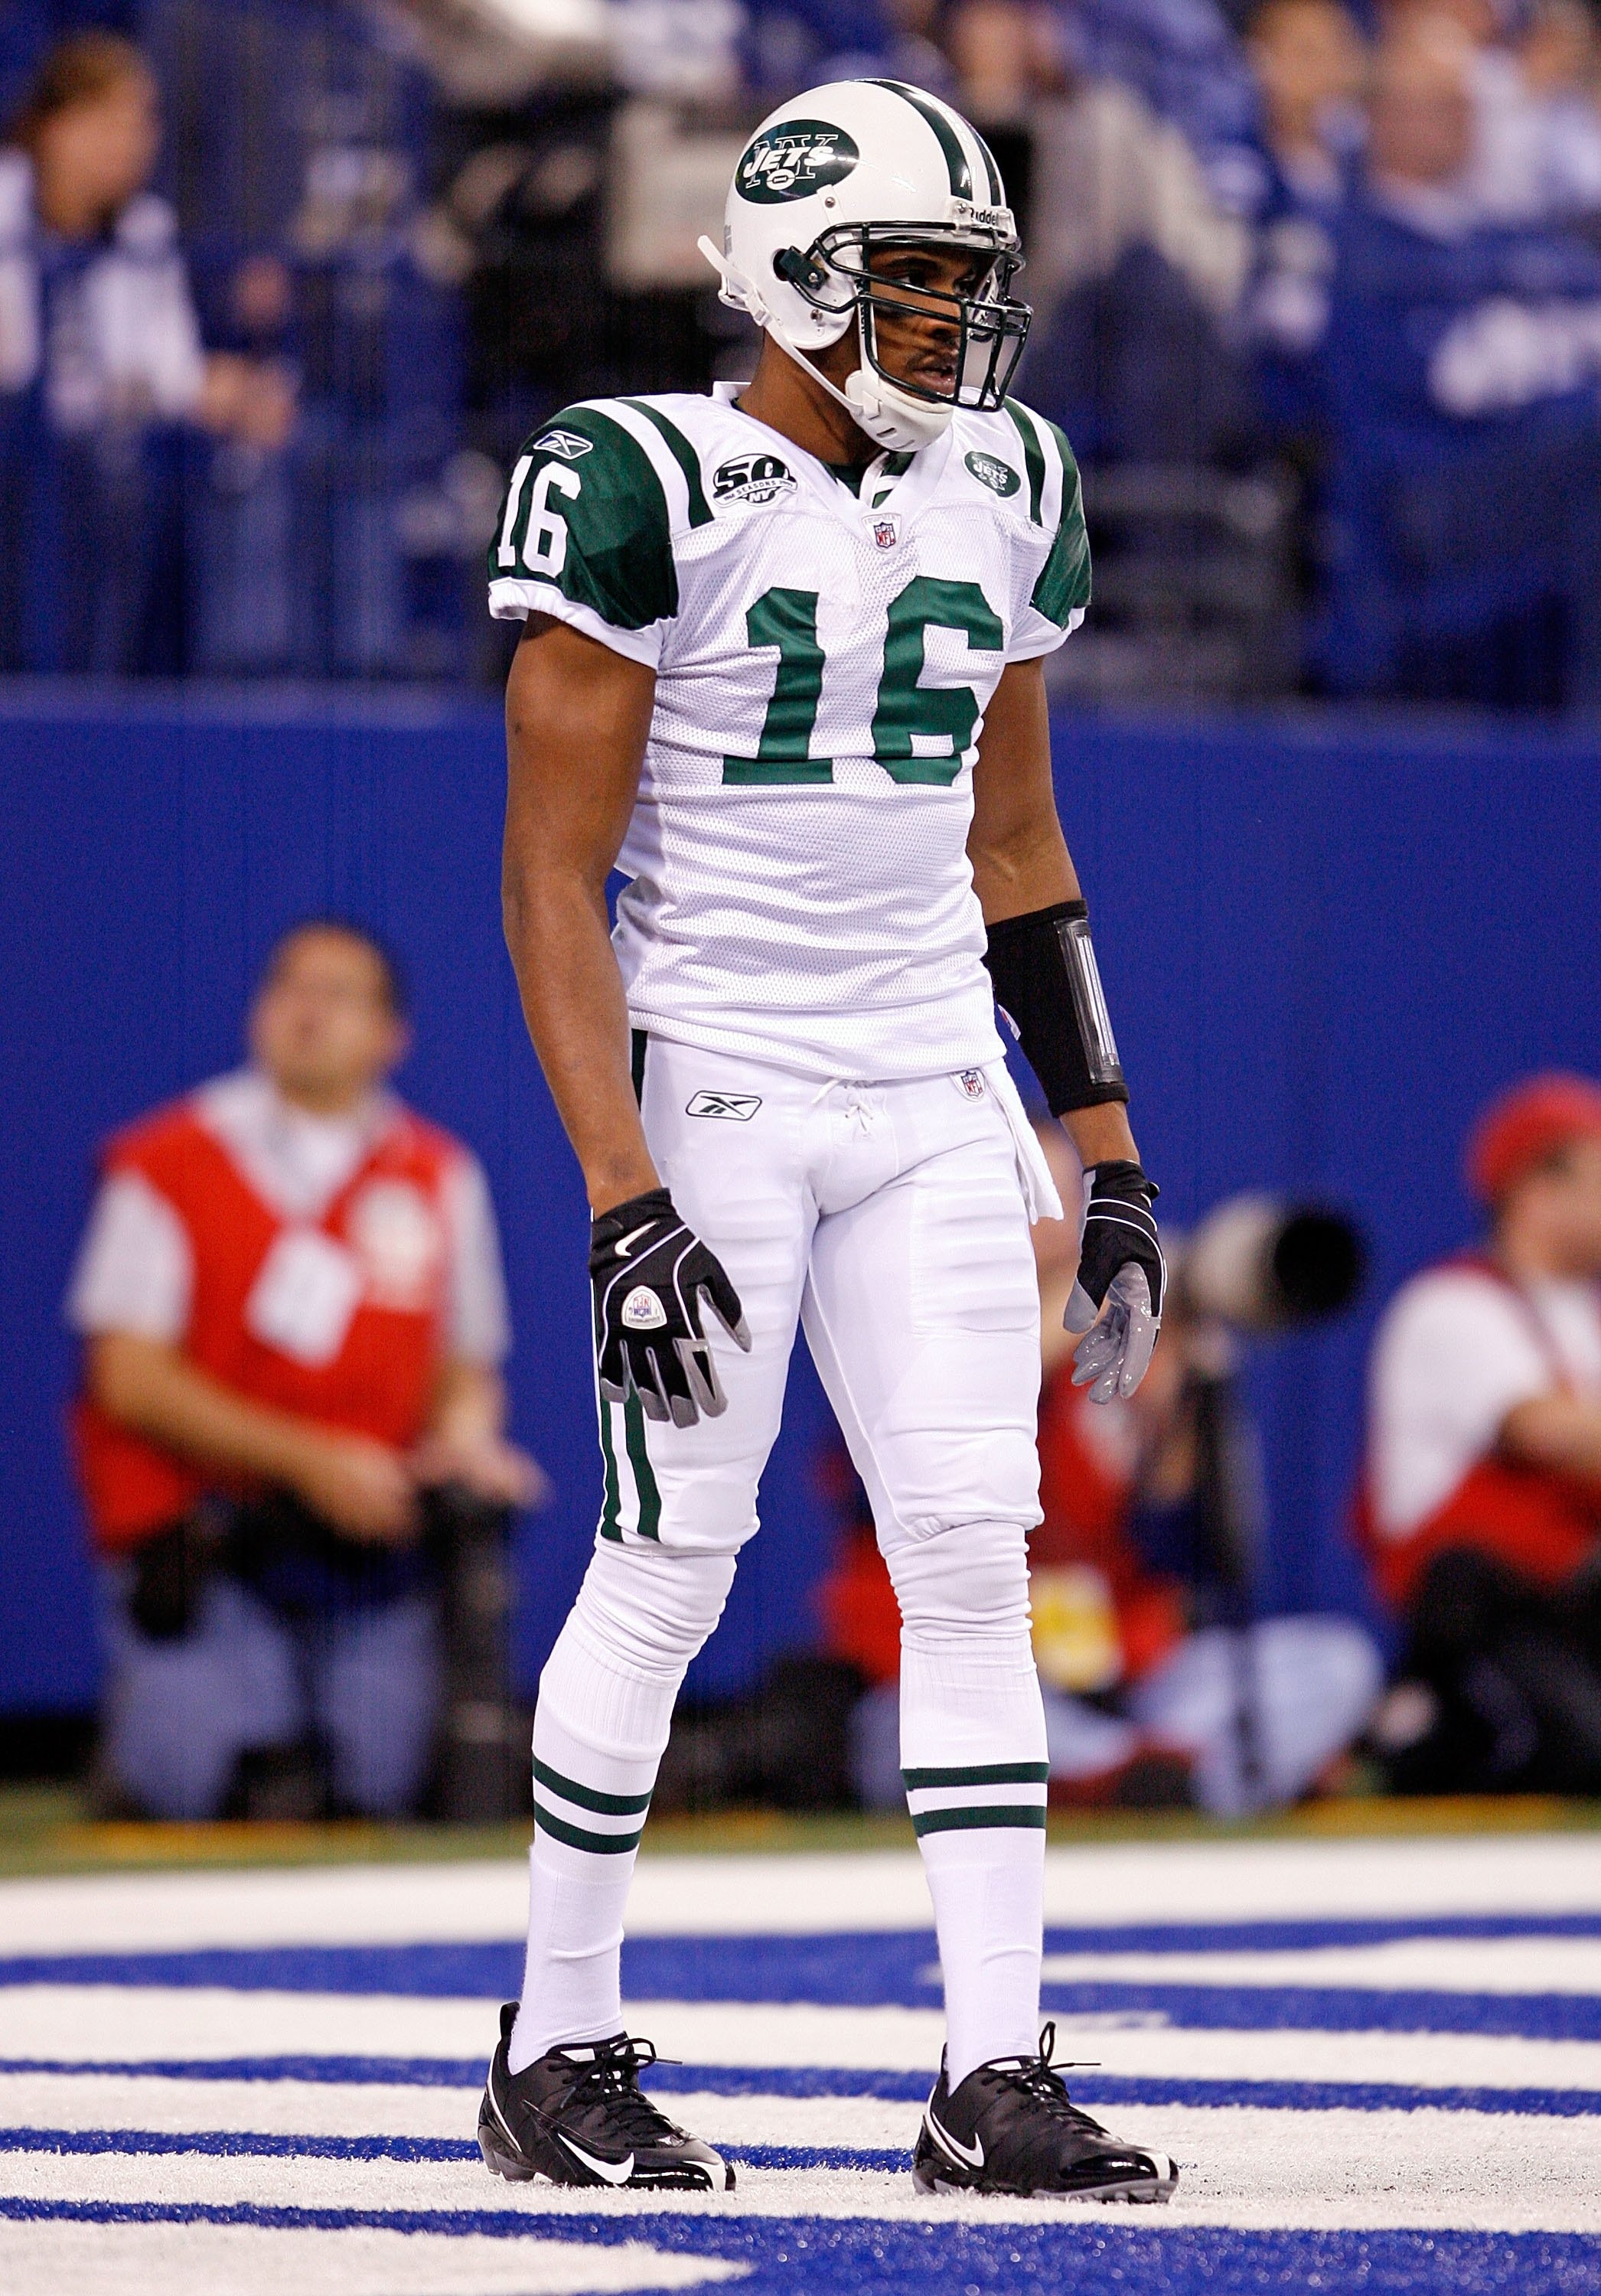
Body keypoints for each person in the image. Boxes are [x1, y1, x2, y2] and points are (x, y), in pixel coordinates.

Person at [483, 78, 1178, 2202]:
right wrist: (618, 1193)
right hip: (717, 1078)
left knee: (973, 1550)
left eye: (975, 280)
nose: (964, 323)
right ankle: (556, 2036)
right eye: (922, 278)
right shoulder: (642, 477)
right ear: (797, 273)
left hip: (928, 1088)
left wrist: (1109, 1146)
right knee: (671, 1558)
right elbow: (549, 879)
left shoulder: (1009, 476)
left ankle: (990, 2069)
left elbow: (1019, 838)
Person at [67, 919, 539, 1821]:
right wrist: (309, 1460)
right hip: (209, 1535)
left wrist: (465, 1442)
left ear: (389, 1034)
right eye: (289, 985)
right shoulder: (165, 1162)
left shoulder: (439, 1175)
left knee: (379, 1784)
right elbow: (127, 1374)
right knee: (217, 1782)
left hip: (362, 1548)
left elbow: (464, 1365)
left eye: (338, 993)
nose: (307, 1011)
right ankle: (146, 1734)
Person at [838, 1120, 1382, 1815]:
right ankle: (1155, 1780)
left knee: (1339, 1664)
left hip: (1123, 1676)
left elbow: (1187, 1557)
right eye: (1036, 1199)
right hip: (961, 1662)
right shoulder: (891, 1314)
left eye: (1071, 1200)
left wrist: (1172, 1413)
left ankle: (1144, 1781)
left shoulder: (1115, 1354)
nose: (1061, 1226)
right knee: (923, 1726)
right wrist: (1086, 1308)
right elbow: (915, 1443)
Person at [0, 32, 294, 671]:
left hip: (111, 463)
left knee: (220, 461)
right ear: (56, 127)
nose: (136, 142)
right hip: (17, 457)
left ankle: (229, 677)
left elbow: (170, 366)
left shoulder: (145, 228)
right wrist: (163, 388)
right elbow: (17, 358)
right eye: (114, 121)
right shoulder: (4, 209)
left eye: (144, 122)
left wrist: (224, 392)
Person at [1362, 1074, 1601, 1793]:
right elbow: (1549, 1433)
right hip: (1487, 1623)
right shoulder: (1453, 1304)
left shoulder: (1583, 1315)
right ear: (1536, 1190)